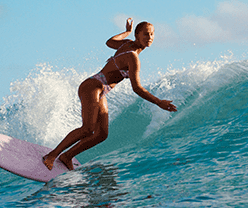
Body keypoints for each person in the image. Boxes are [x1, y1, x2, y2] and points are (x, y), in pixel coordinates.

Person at [42, 18, 177, 171]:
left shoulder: (126, 44)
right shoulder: (133, 56)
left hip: (101, 90)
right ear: (137, 35)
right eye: (146, 34)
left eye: (152, 34)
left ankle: (67, 156)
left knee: (101, 134)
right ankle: (52, 155)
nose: (150, 37)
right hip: (92, 86)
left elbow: (110, 42)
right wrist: (159, 102)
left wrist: (126, 33)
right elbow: (137, 88)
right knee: (87, 128)